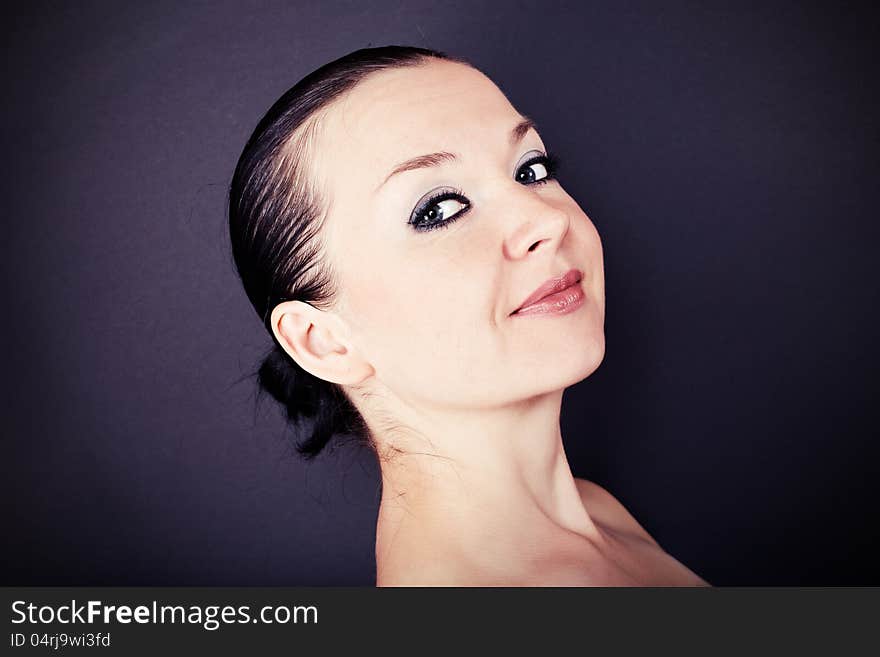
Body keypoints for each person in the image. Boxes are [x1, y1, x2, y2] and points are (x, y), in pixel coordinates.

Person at [228, 45, 710, 586]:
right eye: (438, 210)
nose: (545, 220)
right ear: (324, 341)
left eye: (531, 169)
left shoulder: (597, 514)